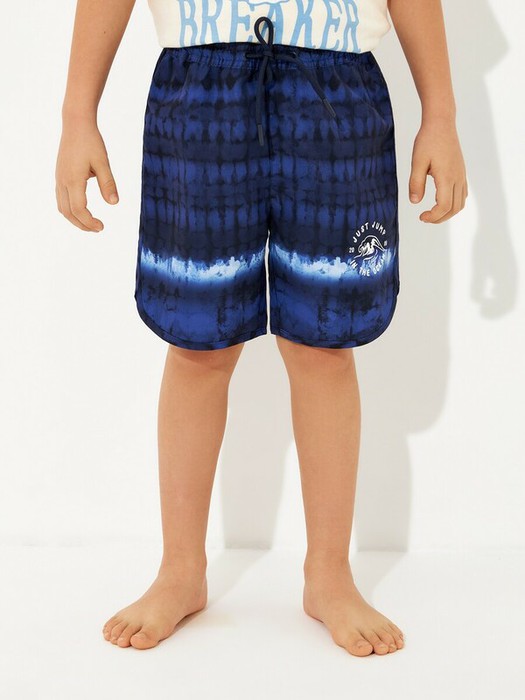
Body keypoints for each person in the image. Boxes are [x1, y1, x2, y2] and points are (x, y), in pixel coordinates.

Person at [55, 0, 467, 656]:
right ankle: (180, 570)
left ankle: (329, 574)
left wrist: (440, 115)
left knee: (325, 341)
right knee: (197, 340)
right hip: (199, 87)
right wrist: (78, 115)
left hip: (337, 87)